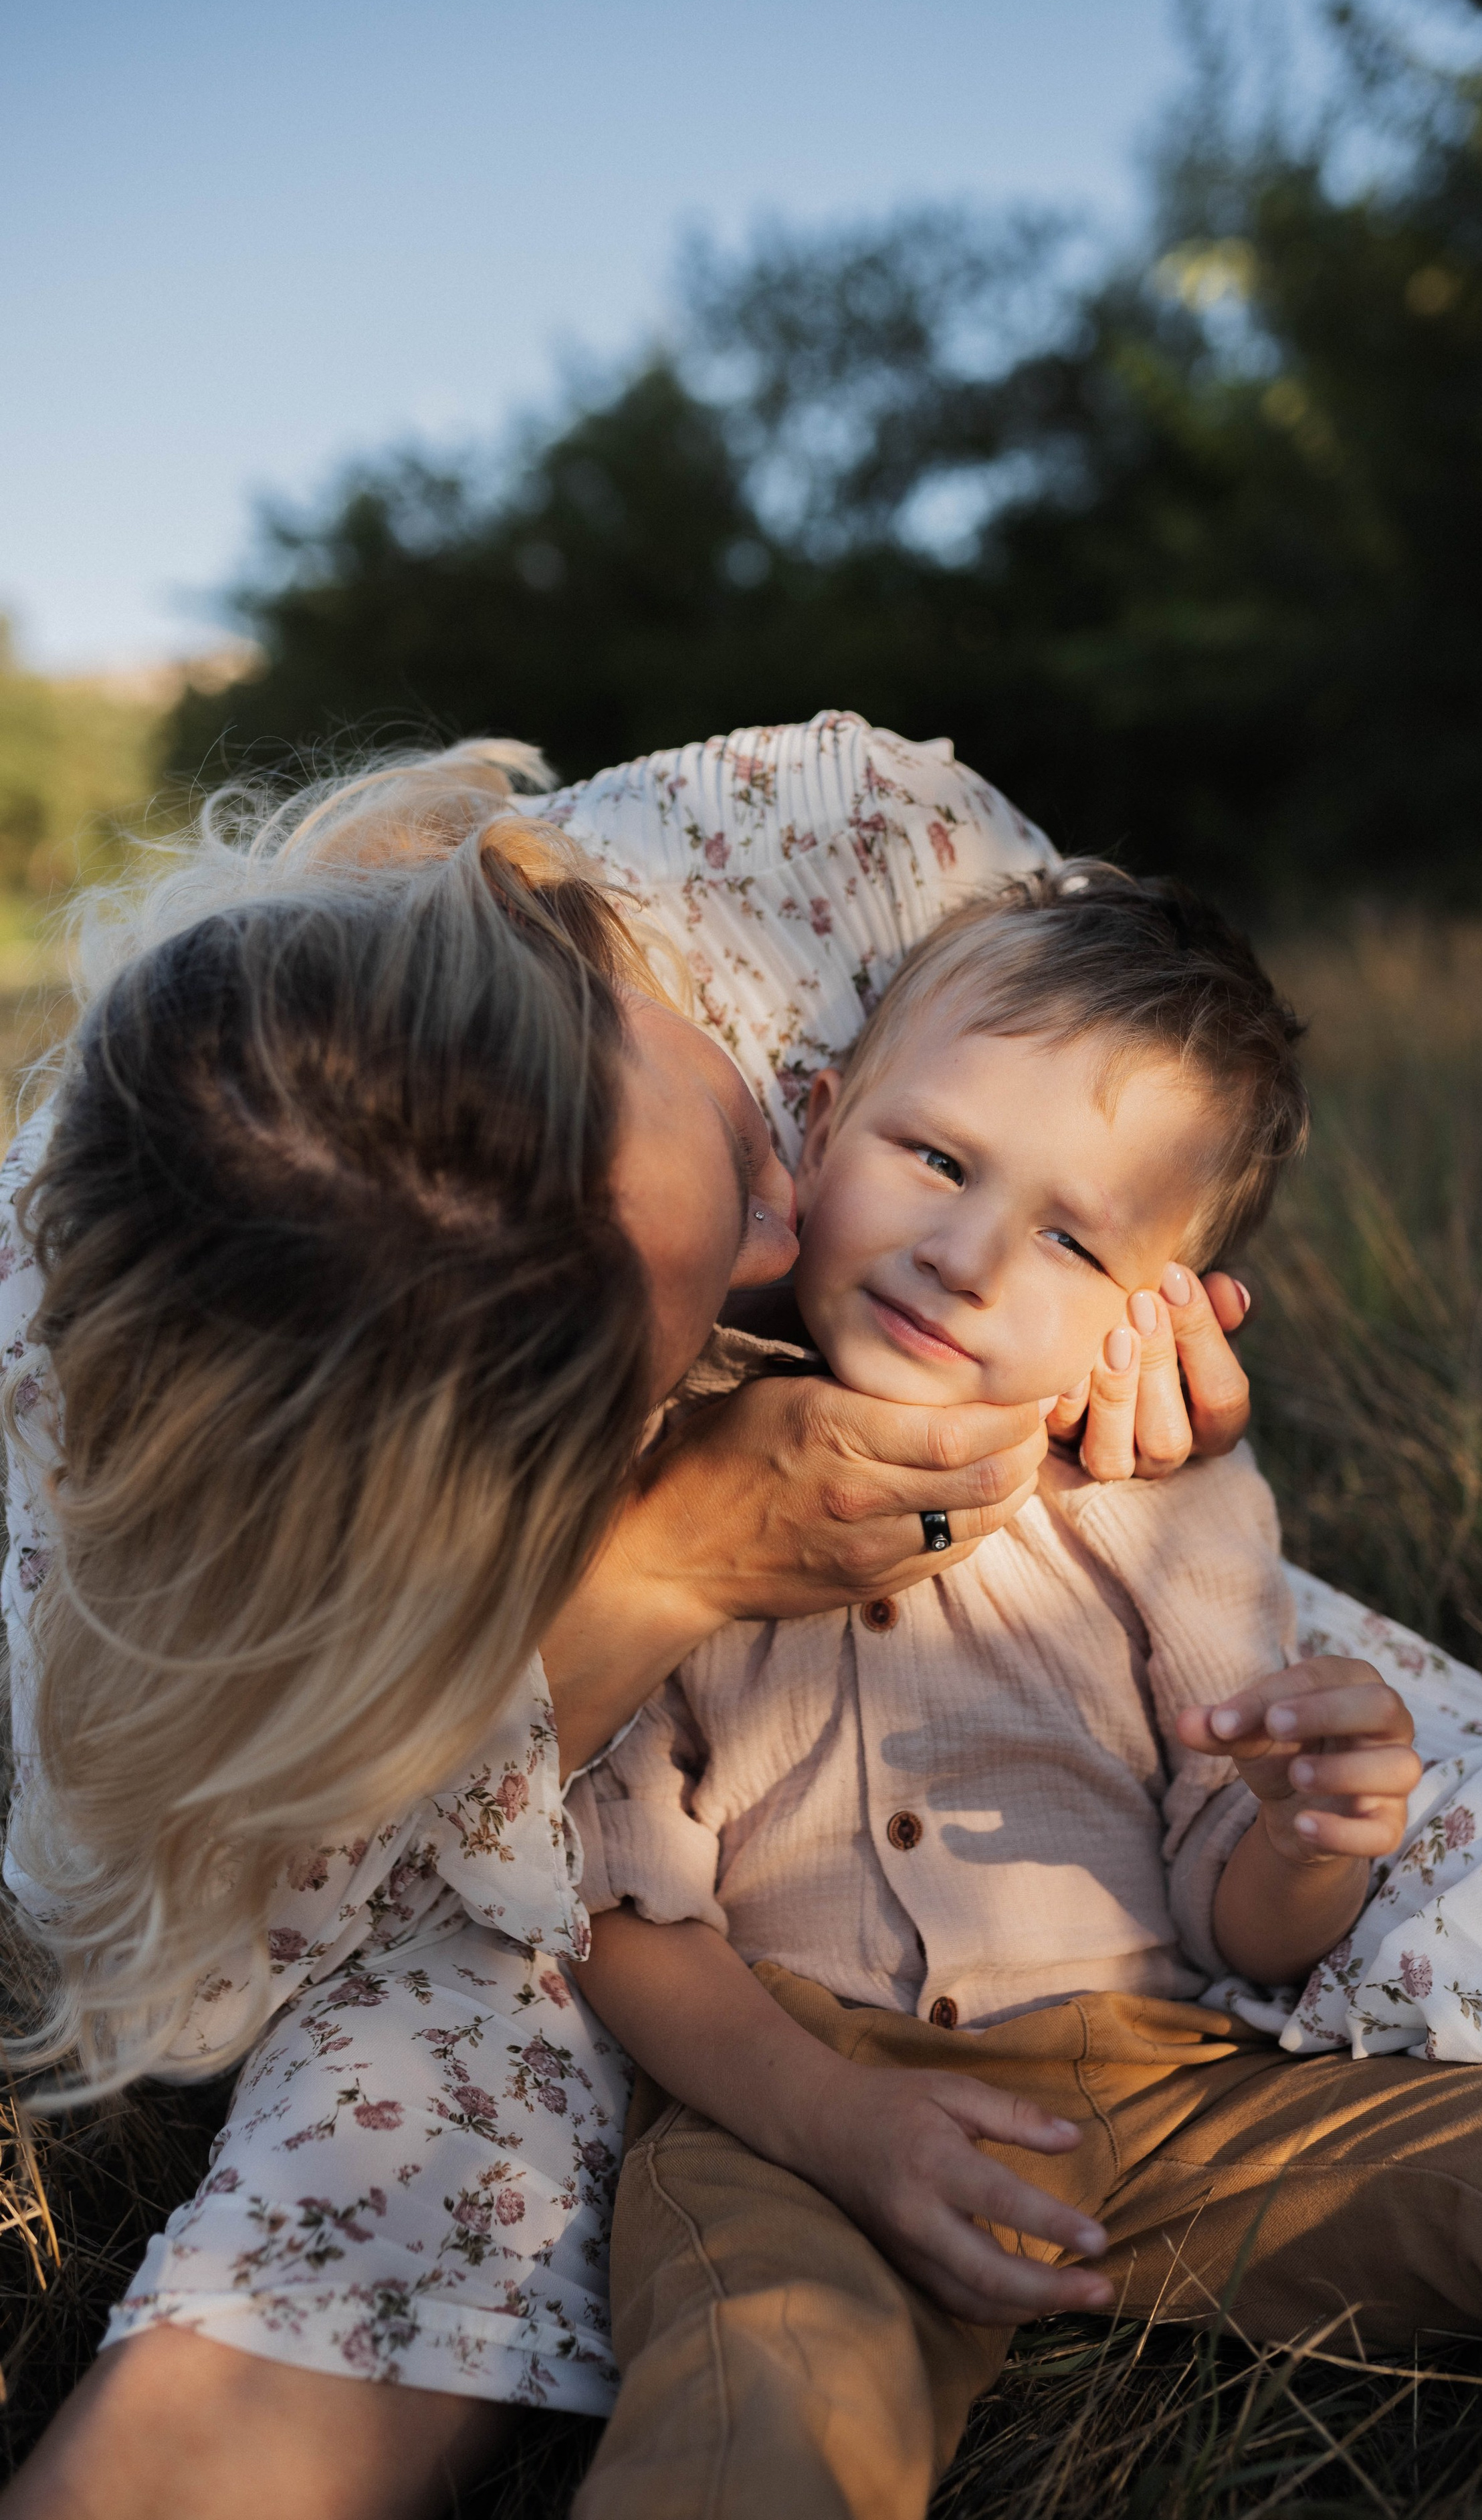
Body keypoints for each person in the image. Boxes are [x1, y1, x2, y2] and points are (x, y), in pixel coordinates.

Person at [0, 719, 1255, 2520]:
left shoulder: (824, 839)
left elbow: (1145, 1060)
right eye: (677, 1333)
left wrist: (1125, 1363)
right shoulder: (95, 1500)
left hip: (978, 1659)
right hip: (506, 1824)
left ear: (573, 962)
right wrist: (663, 1565)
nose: (782, 1251)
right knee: (437, 2067)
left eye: (746, 1153)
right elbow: (215, 1943)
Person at [566, 858, 1482, 2520]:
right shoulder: (675, 1470)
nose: (962, 1255)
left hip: (1172, 2089)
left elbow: (1239, 1921)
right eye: (936, 1158)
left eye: (1066, 1238)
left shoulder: (1160, 1510)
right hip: (793, 2112)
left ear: (1157, 1310)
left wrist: (1315, 1828)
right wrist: (834, 2125)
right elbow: (615, 1909)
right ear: (815, 1121)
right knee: (766, 2388)